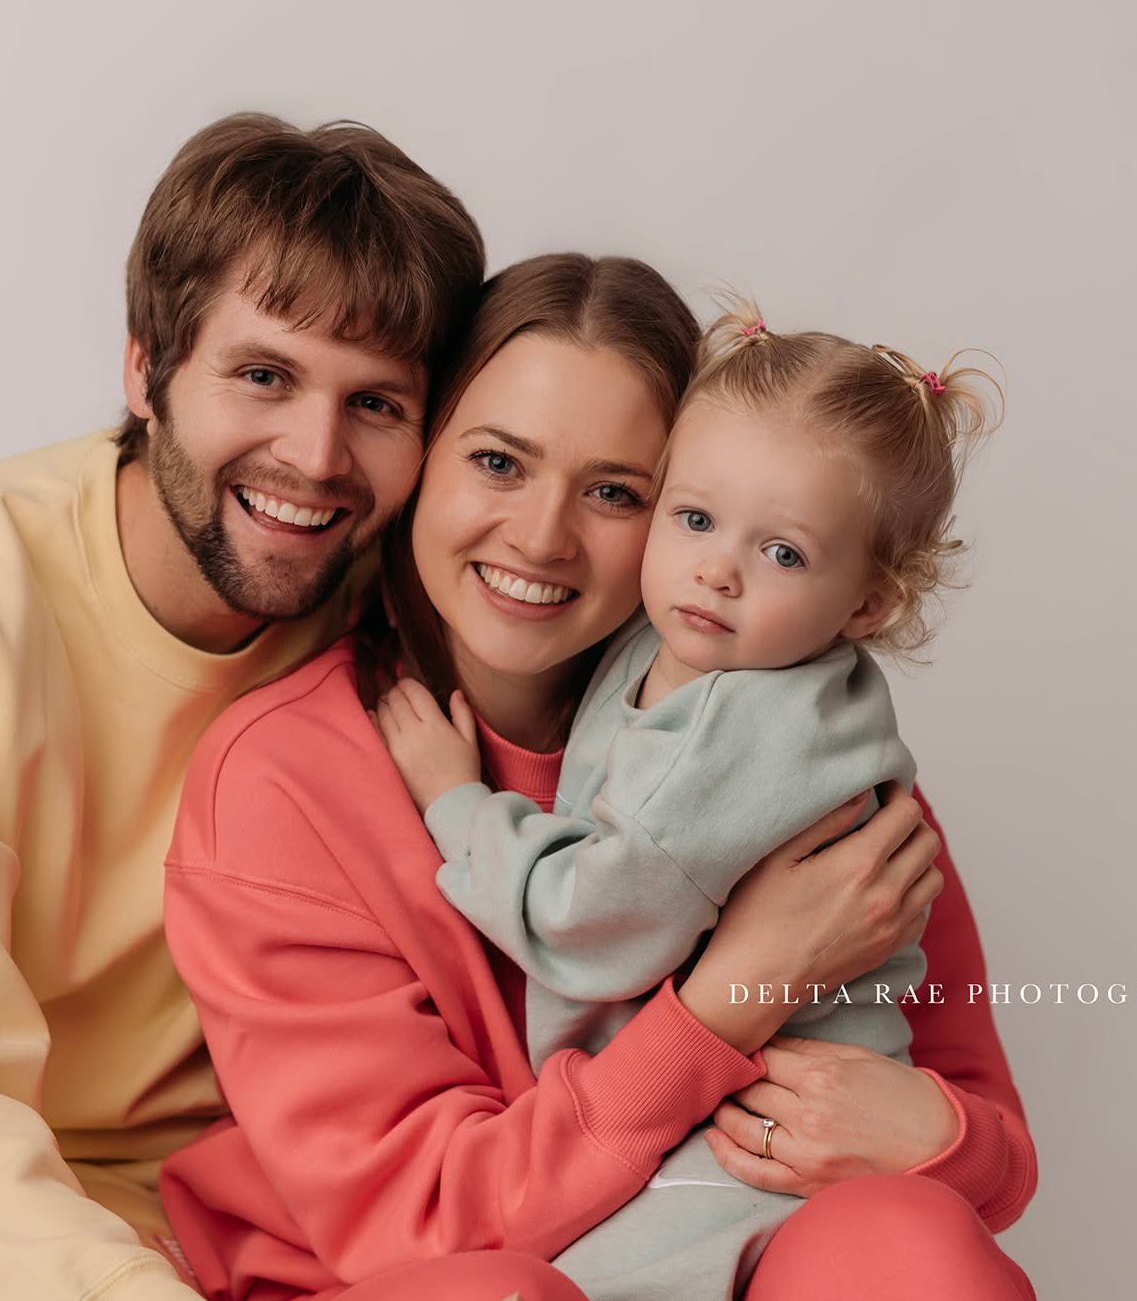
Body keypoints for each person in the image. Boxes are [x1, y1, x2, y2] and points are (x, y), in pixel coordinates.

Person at [159, 256, 1037, 1300]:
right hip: (431, 1276)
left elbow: (986, 1147)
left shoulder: (794, 762)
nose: (540, 535)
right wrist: (722, 1005)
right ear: (419, 460)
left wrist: (937, 1136)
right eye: (496, 462)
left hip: (720, 1236)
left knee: (910, 1244)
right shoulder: (286, 781)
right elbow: (424, 1232)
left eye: (617, 491)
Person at [0, 113, 491, 1301]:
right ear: (145, 368)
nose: (315, 456)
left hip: (238, 1224)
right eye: (263, 376)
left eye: (377, 405)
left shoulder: (412, 619)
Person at [372, 302, 1001, 1297]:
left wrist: (457, 805)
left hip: (756, 1137)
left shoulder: (741, 727)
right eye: (695, 518)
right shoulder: (693, 647)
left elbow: (589, 926)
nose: (717, 569)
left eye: (783, 553)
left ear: (869, 605)